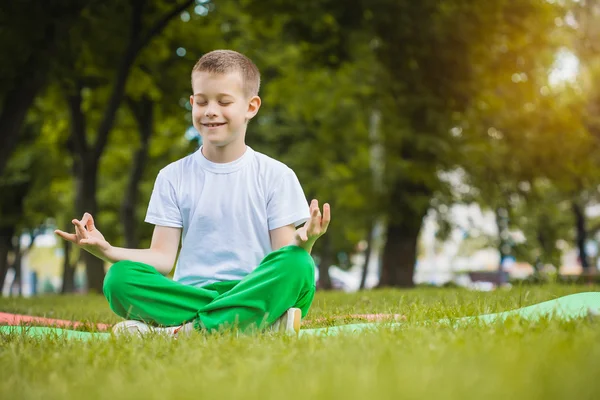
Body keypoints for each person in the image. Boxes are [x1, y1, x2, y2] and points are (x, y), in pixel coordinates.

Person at [55, 50, 331, 337]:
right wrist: (107, 250)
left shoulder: (276, 175)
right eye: (201, 102)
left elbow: (282, 259)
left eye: (224, 101)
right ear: (192, 104)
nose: (210, 110)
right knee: (119, 279)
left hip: (255, 287)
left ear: (251, 106)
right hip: (190, 293)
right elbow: (162, 258)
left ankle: (184, 331)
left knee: (299, 264)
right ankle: (252, 323)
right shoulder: (172, 177)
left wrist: (306, 242)